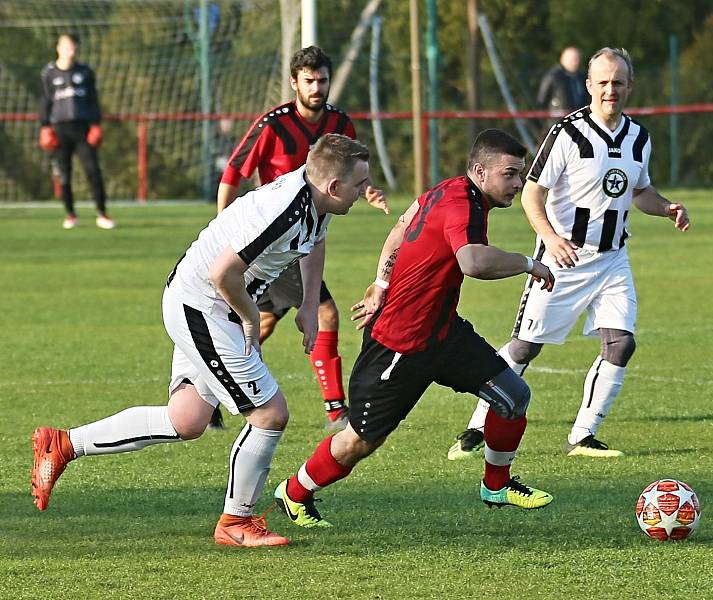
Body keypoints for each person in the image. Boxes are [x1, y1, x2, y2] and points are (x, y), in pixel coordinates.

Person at [30, 134, 372, 548]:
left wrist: (309, 303)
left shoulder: (316, 196)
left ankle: (63, 444)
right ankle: (236, 522)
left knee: (187, 419)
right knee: (269, 414)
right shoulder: (281, 210)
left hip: (208, 304)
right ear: (334, 186)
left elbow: (314, 239)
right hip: (204, 305)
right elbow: (222, 273)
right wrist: (250, 319)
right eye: (359, 184)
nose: (364, 192)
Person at [271, 129, 556, 530]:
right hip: (399, 345)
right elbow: (473, 262)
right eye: (509, 174)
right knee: (359, 441)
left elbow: (400, 228)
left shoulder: (449, 191)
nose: (517, 183)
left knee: (513, 396)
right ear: (479, 170)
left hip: (443, 333)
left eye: (520, 174)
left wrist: (382, 283)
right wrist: (529, 263)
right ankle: (295, 492)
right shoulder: (462, 205)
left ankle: (497, 485)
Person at [448, 48, 691, 461]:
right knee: (525, 348)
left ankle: (583, 436)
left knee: (621, 343)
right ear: (589, 85)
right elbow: (532, 192)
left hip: (613, 259)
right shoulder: (567, 132)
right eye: (603, 82)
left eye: (618, 82)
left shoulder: (639, 137)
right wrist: (550, 238)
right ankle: (475, 427)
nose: (610, 89)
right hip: (565, 258)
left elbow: (640, 192)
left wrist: (666, 207)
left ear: (629, 86)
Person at [212, 45, 387, 432]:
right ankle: (336, 411)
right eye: (308, 81)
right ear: (294, 83)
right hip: (276, 240)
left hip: (307, 235)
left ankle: (206, 395)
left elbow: (356, 170)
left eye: (322, 80)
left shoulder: (340, 123)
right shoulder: (273, 124)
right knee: (324, 311)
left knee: (262, 321)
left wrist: (369, 191)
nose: (317, 88)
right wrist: (223, 227)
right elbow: (234, 173)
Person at [39, 32, 114, 230]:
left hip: (83, 128)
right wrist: (45, 127)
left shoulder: (85, 72)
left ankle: (102, 213)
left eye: (73, 47)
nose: (70, 51)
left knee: (93, 171)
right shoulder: (49, 73)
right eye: (66, 47)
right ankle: (70, 214)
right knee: (64, 174)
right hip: (60, 129)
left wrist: (96, 124)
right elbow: (45, 101)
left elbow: (93, 100)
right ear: (58, 48)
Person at [537, 46, 590, 116]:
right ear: (562, 59)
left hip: (580, 119)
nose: (575, 62)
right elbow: (542, 100)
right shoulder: (554, 76)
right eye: (572, 59)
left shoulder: (583, 77)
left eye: (577, 58)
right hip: (558, 120)